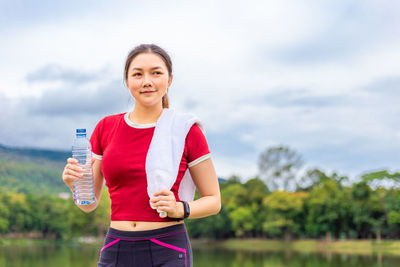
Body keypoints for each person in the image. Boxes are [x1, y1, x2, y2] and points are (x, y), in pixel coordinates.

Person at [62, 43, 221, 267]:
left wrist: (180, 208)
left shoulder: (186, 131)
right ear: (127, 81)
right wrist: (74, 185)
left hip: (168, 247)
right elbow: (89, 205)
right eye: (137, 74)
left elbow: (214, 201)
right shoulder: (106, 127)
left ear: (170, 80)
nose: (147, 81)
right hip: (116, 246)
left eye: (156, 73)